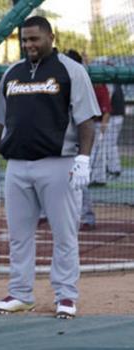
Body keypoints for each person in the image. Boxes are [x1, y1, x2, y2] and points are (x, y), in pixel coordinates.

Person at [0, 16, 100, 320]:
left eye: (35, 39)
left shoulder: (71, 71)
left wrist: (84, 158)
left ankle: (66, 295)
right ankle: (21, 294)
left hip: (58, 164)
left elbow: (87, 121)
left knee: (64, 234)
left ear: (51, 37)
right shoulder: (13, 72)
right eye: (25, 40)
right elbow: (0, 119)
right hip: (18, 166)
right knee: (19, 235)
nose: (29, 45)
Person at [64, 50, 111, 230]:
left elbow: (90, 117)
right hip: (63, 139)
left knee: (79, 179)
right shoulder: (60, 79)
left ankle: (87, 217)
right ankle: (50, 215)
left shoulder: (83, 79)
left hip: (82, 137)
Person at [105, 81, 125, 178]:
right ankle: (113, 168)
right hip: (118, 116)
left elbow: (107, 101)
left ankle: (114, 169)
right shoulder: (117, 83)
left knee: (110, 144)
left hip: (112, 117)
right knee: (111, 144)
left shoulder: (110, 84)